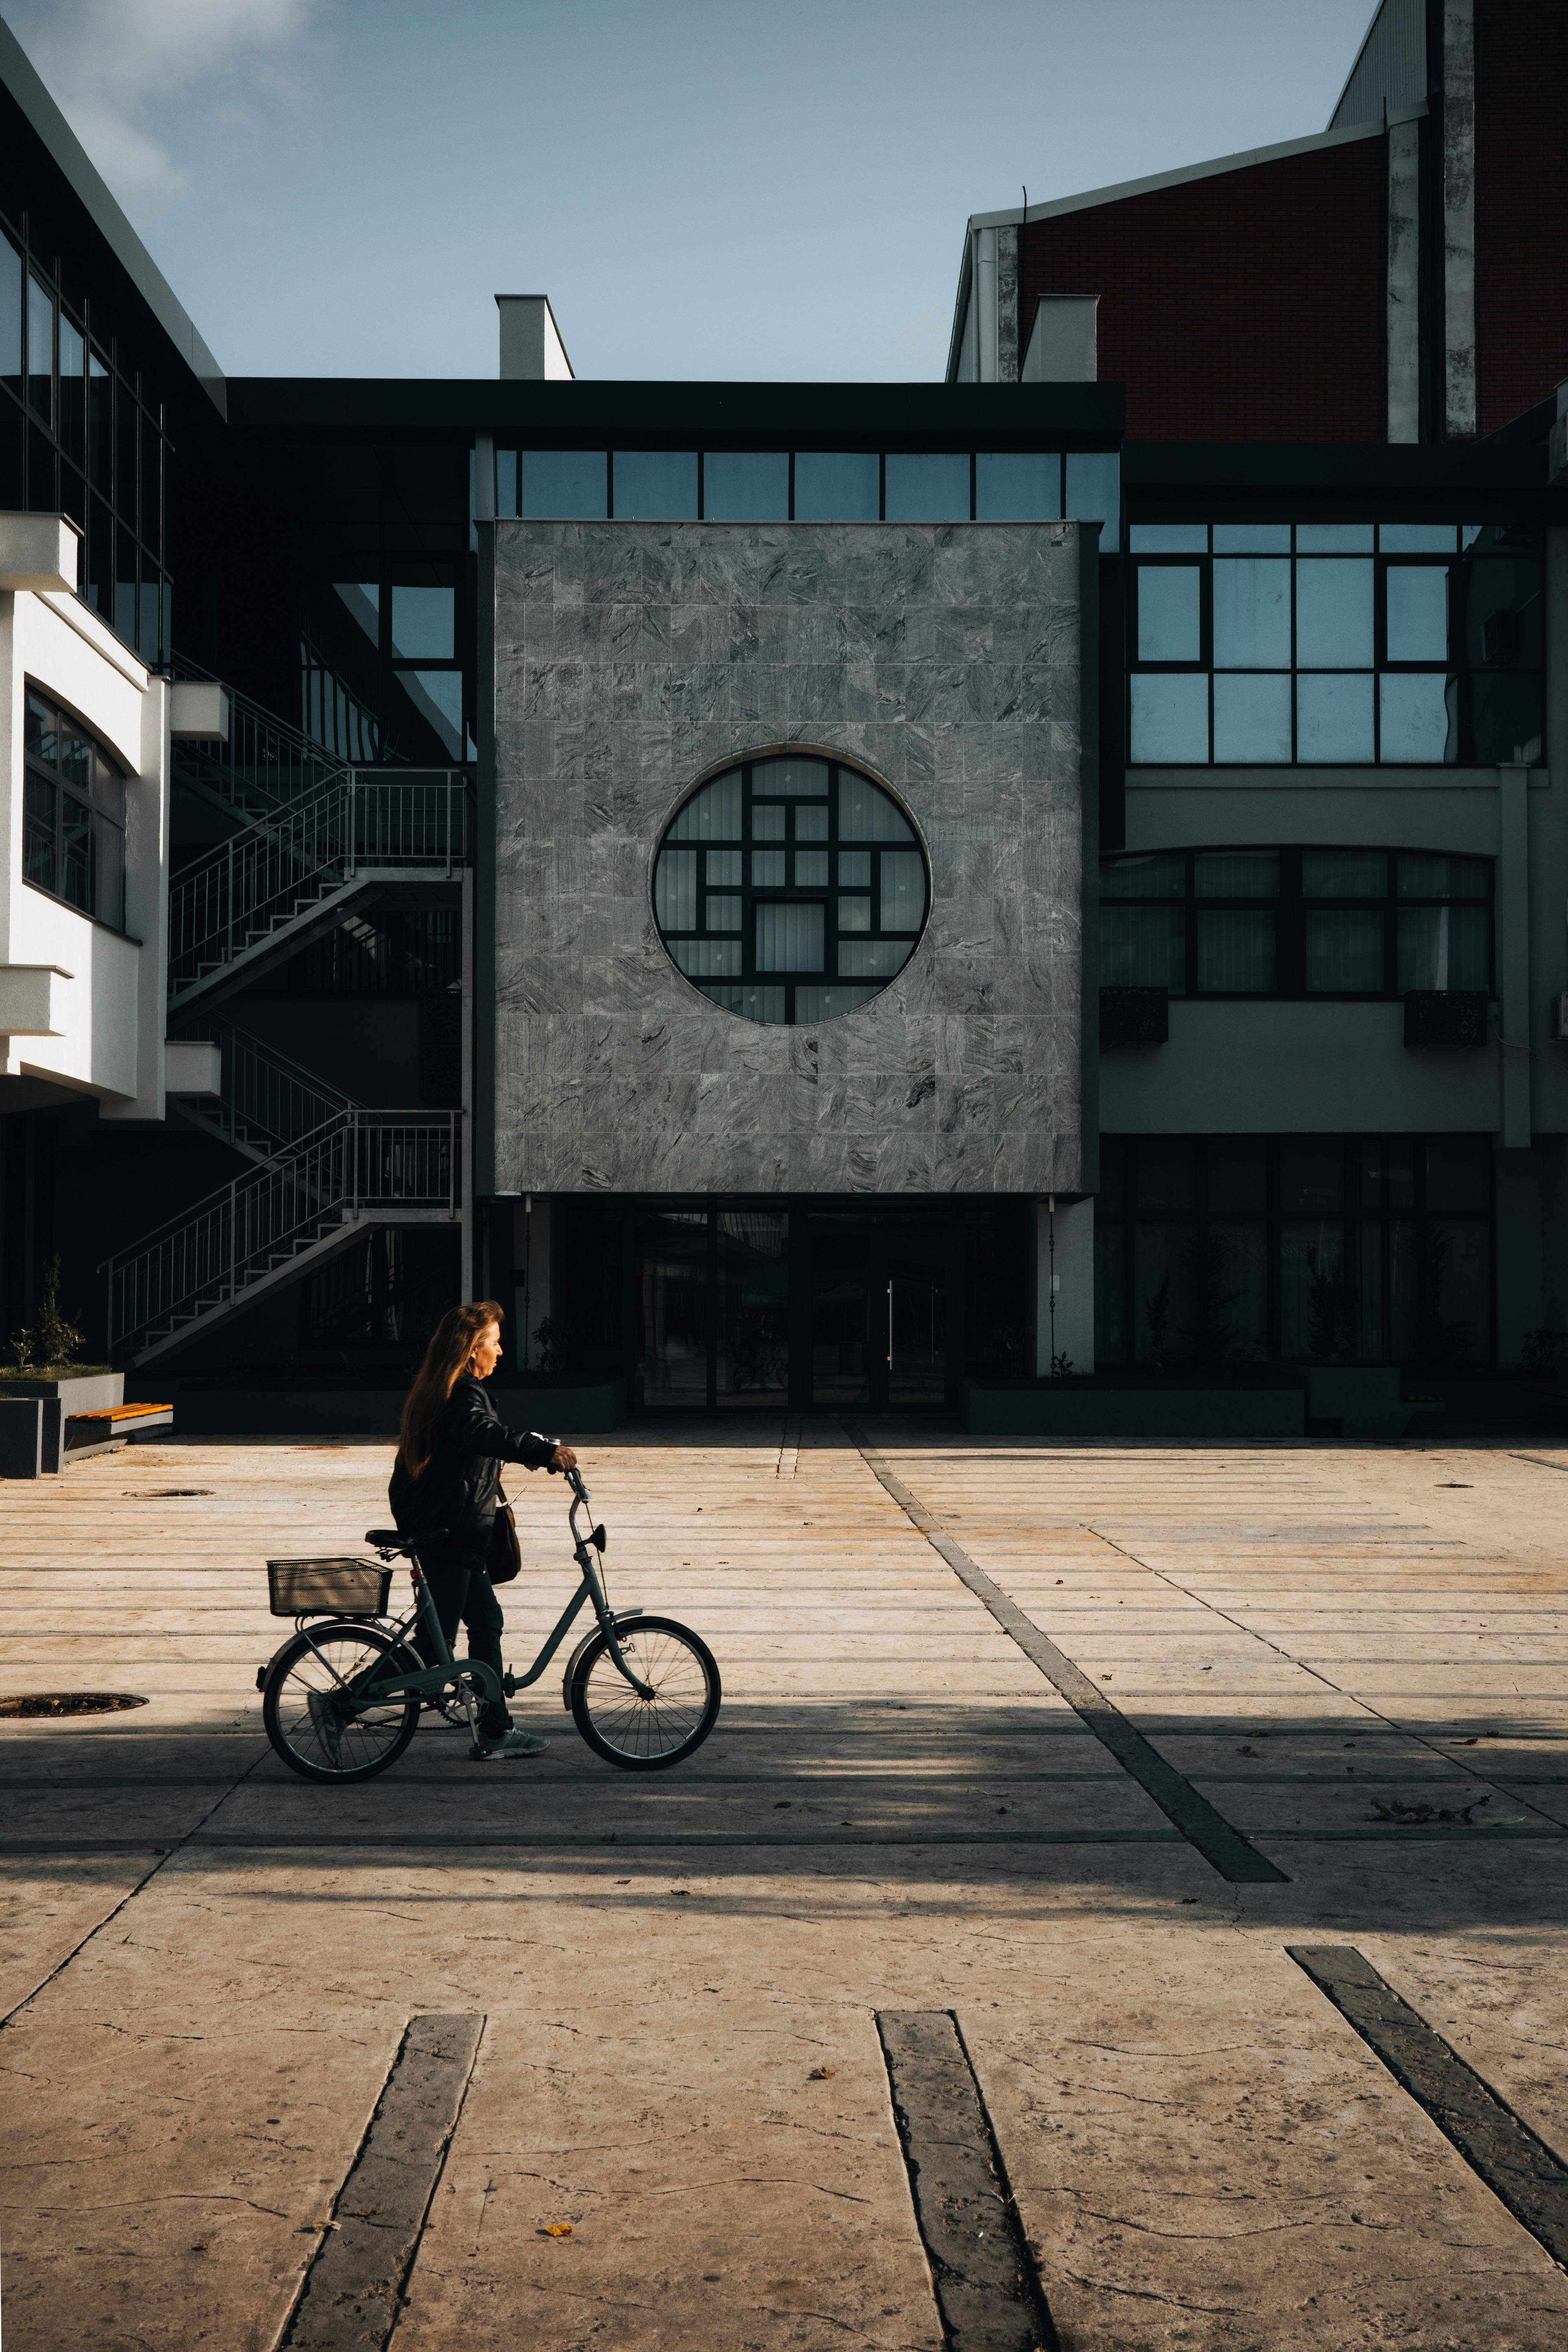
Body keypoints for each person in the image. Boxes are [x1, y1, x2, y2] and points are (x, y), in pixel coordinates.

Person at [388, 1298, 578, 1760]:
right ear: (472, 1349)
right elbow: (484, 1433)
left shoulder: (449, 1389)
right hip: (448, 1534)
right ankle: (339, 1704)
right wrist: (540, 1449)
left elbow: (473, 1449)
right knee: (434, 1649)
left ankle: (495, 1729)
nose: (500, 1351)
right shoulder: (462, 1394)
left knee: (487, 1622)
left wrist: (517, 1457)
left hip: (452, 1532)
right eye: (494, 1342)